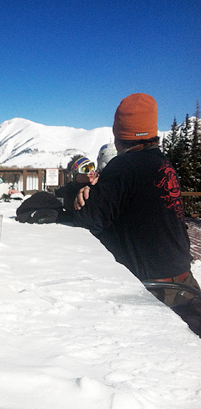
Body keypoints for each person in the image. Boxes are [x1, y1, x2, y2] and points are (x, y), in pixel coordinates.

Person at [72, 93, 200, 305]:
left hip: (155, 289)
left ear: (118, 135)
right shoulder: (163, 163)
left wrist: (84, 194)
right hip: (185, 282)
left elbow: (87, 219)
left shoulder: (123, 167)